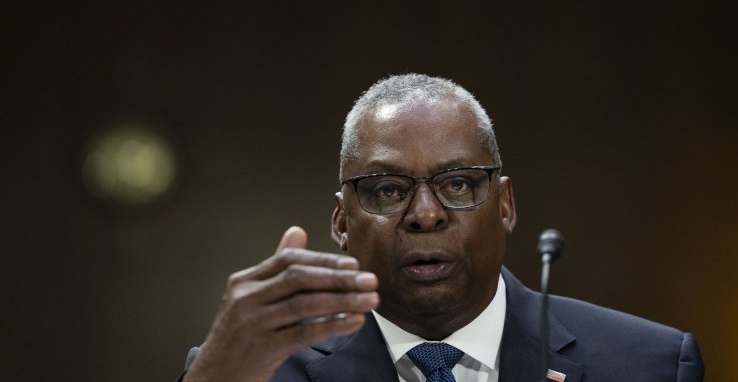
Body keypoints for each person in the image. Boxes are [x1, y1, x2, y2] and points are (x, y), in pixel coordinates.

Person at [179, 73, 705, 382]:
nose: (425, 213)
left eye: (457, 185)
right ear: (342, 220)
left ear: (504, 205)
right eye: (387, 189)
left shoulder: (648, 365)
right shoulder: (254, 371)